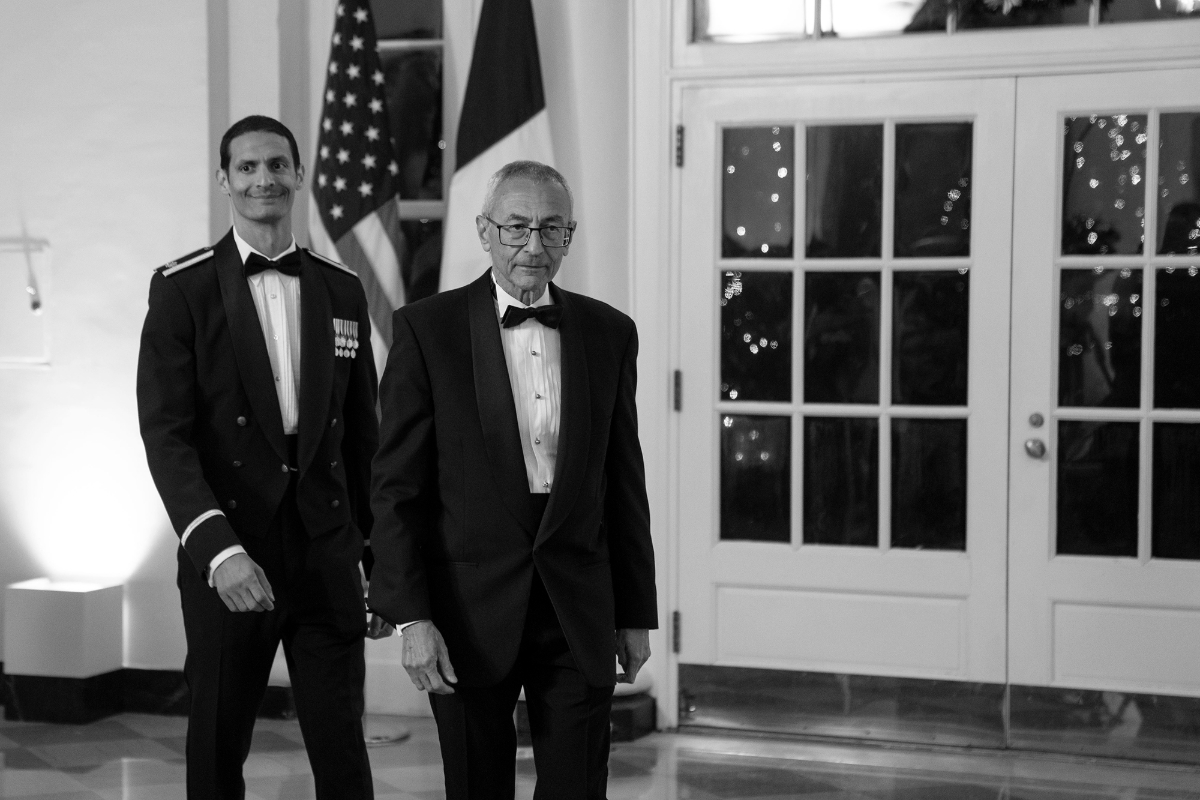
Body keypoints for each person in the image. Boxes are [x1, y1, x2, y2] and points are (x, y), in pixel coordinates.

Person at [368, 160, 658, 800]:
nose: (533, 246)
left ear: (570, 236)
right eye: (517, 227)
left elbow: (624, 482)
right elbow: (397, 489)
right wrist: (410, 617)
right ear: (484, 230)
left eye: (552, 230)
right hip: (464, 614)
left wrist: (635, 611)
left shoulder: (611, 333)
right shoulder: (427, 329)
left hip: (576, 606)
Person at [136, 115, 390, 800]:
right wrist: (219, 552)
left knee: (342, 749)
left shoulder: (341, 288)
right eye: (246, 168)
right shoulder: (183, 288)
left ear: (298, 174)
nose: (263, 179)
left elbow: (360, 437)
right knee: (218, 749)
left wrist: (377, 559)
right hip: (232, 551)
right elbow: (167, 435)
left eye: (276, 165)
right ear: (224, 181)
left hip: (325, 552)